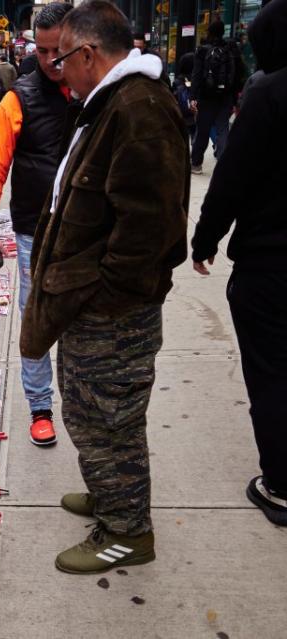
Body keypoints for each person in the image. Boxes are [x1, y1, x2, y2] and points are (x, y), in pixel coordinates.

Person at [22, 0, 188, 573]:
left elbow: (150, 228)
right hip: (95, 307)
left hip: (114, 313)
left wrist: (105, 296)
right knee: (91, 414)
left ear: (88, 54)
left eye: (62, 58)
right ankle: (112, 492)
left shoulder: (137, 108)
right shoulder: (114, 103)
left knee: (109, 420)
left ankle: (126, 531)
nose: (56, 69)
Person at [190, 0, 287, 527]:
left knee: (273, 372)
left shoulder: (269, 94)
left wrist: (205, 240)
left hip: (272, 263)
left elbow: (233, 179)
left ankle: (282, 486)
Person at [0, 1, 73, 447]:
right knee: (35, 316)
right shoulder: (18, 97)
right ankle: (40, 406)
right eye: (43, 50)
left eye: (60, 50)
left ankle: (79, 401)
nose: (52, 60)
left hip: (86, 232)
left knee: (83, 318)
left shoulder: (98, 91)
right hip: (34, 228)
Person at [190, 19, 247, 173]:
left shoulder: (202, 50)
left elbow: (196, 76)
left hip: (206, 97)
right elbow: (239, 74)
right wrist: (235, 97)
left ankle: (196, 164)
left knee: (202, 130)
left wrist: (193, 97)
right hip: (226, 97)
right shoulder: (231, 49)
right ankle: (224, 165)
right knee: (223, 129)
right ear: (223, 32)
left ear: (209, 32)